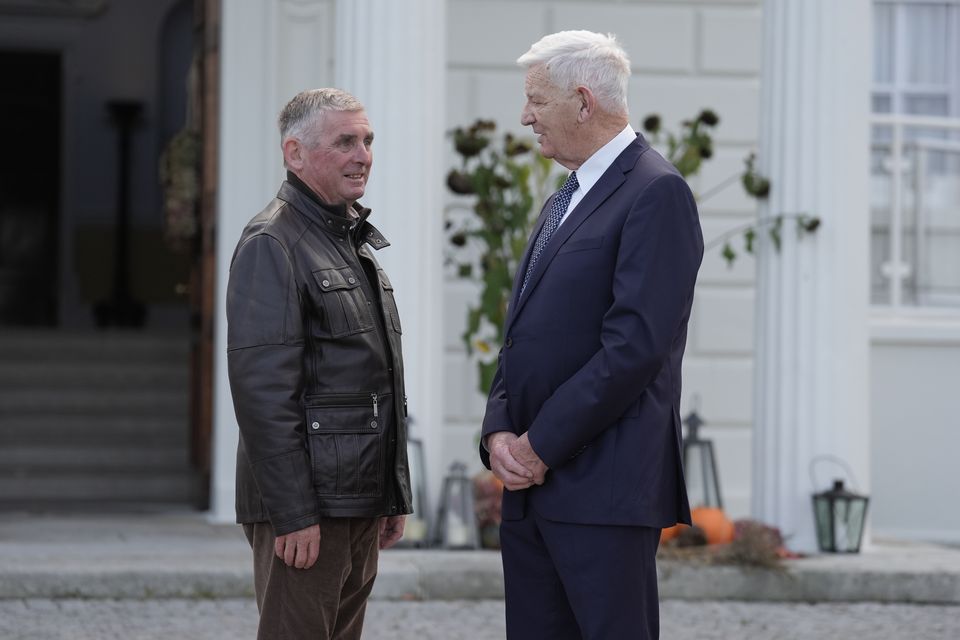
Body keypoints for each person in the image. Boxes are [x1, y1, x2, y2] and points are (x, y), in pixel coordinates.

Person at [479, 31, 704, 639]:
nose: (526, 116)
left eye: (536, 100)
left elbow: (634, 349)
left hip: (601, 492)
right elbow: (523, 330)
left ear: (583, 101)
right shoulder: (567, 196)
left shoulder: (656, 192)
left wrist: (537, 446)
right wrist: (498, 428)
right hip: (532, 490)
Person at [226, 88, 411, 640]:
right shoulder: (273, 242)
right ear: (295, 153)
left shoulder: (349, 239)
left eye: (368, 141)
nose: (363, 155)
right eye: (345, 142)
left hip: (357, 499)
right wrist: (293, 511)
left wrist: (391, 492)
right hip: (310, 508)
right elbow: (262, 393)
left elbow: (374, 380)